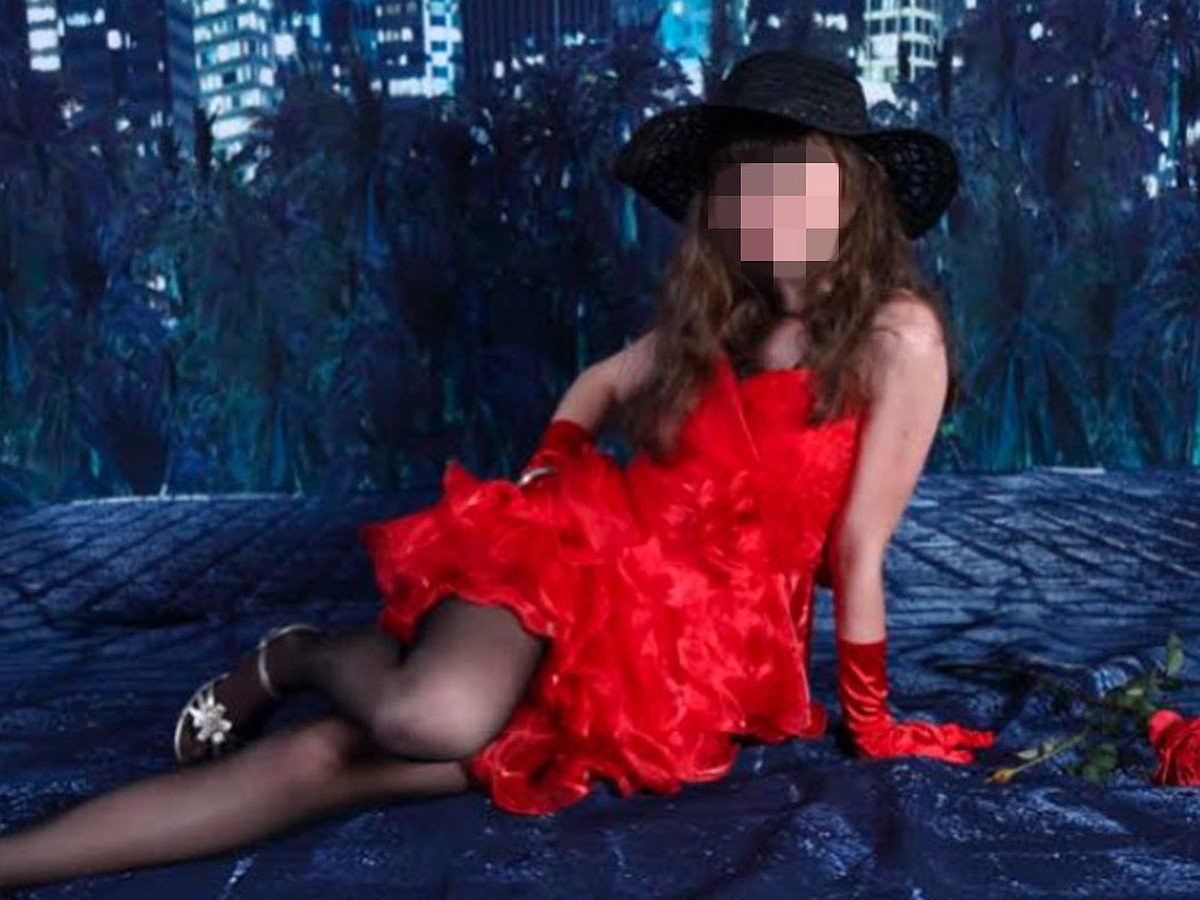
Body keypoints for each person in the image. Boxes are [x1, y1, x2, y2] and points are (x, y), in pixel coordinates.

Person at [0, 49, 996, 890]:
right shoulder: (718, 318)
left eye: (800, 176)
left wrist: (872, 722)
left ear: (851, 191)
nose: (773, 204)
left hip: (689, 663)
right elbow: (601, 382)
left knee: (340, 757)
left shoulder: (897, 336)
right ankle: (299, 656)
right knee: (426, 716)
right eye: (749, 181)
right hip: (573, 555)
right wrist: (547, 471)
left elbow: (857, 546)